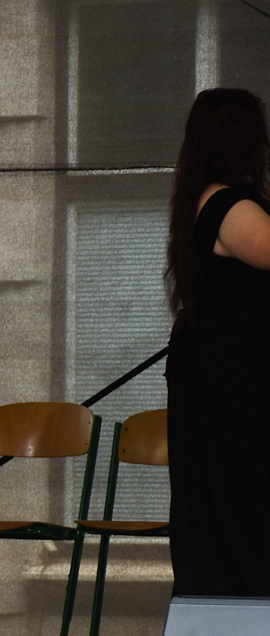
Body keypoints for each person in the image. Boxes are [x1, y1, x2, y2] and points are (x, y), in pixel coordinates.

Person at [165, 87, 270, 597]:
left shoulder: (209, 198)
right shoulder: (229, 205)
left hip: (223, 368)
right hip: (233, 375)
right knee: (241, 503)